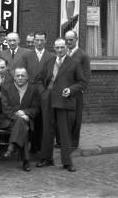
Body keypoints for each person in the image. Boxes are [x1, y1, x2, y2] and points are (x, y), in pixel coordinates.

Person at [36, 38, 85, 172]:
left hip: (64, 101)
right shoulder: (49, 62)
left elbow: (82, 82)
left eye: (62, 47)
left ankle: (67, 162)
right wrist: (43, 93)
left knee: (64, 132)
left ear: (66, 48)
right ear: (53, 47)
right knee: (47, 131)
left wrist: (71, 90)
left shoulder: (74, 63)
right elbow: (39, 80)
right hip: (49, 100)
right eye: (57, 47)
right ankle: (46, 158)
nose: (59, 50)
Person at [0, 67, 40, 172]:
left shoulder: (34, 89)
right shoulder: (6, 88)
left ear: (27, 77)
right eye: (18, 75)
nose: (20, 78)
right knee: (23, 126)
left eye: (23, 75)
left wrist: (26, 113)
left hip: (26, 119)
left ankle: (12, 146)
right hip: (9, 120)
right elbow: (5, 108)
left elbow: (36, 108)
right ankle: (25, 161)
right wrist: (19, 117)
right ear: (14, 77)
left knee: (22, 124)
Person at [20, 32, 55, 152]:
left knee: (42, 120)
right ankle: (28, 146)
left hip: (44, 92)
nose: (39, 43)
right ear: (33, 41)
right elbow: (22, 74)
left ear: (45, 41)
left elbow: (52, 76)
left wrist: (46, 91)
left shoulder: (51, 56)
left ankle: (40, 146)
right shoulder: (27, 55)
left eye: (41, 40)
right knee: (29, 118)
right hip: (29, 92)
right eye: (37, 40)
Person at [65, 30, 91, 149]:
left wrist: (80, 89)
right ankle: (63, 141)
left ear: (76, 40)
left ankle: (74, 143)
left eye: (71, 39)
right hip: (64, 91)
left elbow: (86, 75)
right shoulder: (64, 52)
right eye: (67, 39)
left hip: (76, 92)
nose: (68, 42)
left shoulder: (83, 55)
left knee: (76, 118)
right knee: (64, 117)